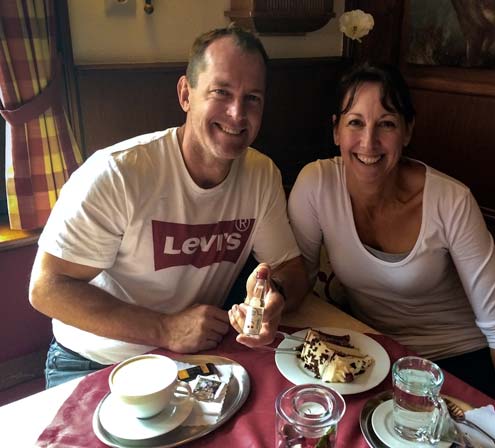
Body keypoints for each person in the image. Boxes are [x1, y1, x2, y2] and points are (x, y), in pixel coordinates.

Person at [29, 26, 308, 388]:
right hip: (91, 362)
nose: (238, 114)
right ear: (185, 95)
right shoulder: (118, 172)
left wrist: (276, 299)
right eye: (221, 92)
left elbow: (292, 270)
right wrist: (165, 328)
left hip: (187, 362)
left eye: (252, 98)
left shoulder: (260, 174)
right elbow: (47, 287)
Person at [287, 63, 495, 419]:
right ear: (336, 131)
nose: (368, 142)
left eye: (386, 124)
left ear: (407, 131)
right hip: (377, 358)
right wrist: (268, 295)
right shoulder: (316, 185)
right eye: (355, 122)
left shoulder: (451, 200)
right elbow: (299, 279)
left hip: (458, 362)